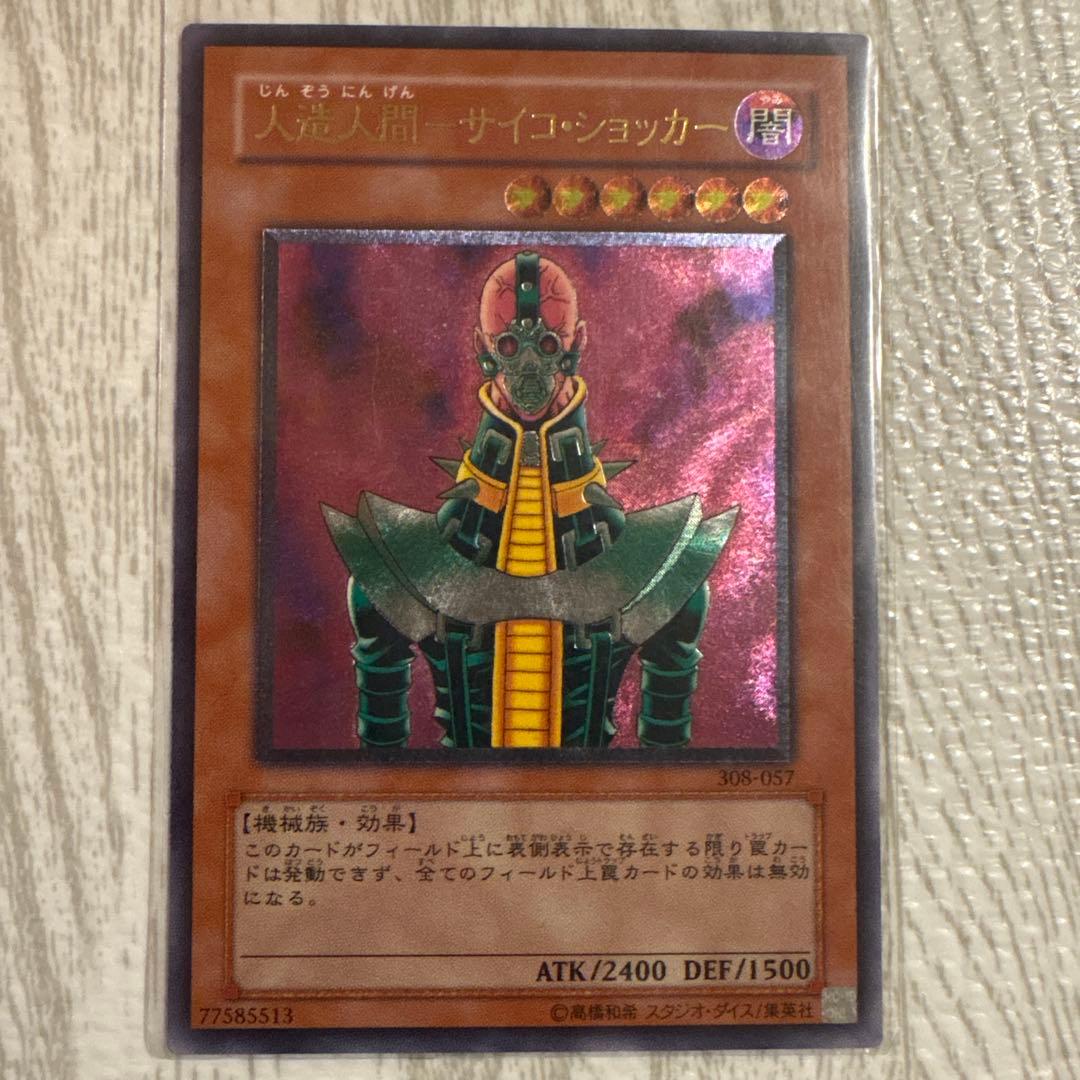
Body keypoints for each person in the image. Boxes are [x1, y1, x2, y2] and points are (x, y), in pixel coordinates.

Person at [323, 250, 737, 748]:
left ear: (576, 342)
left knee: (685, 593)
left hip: (590, 799)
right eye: (508, 345)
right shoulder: (395, 573)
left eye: (545, 343)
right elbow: (380, 762)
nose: (528, 366)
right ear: (483, 347)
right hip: (462, 796)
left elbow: (667, 768)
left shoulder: (665, 576)